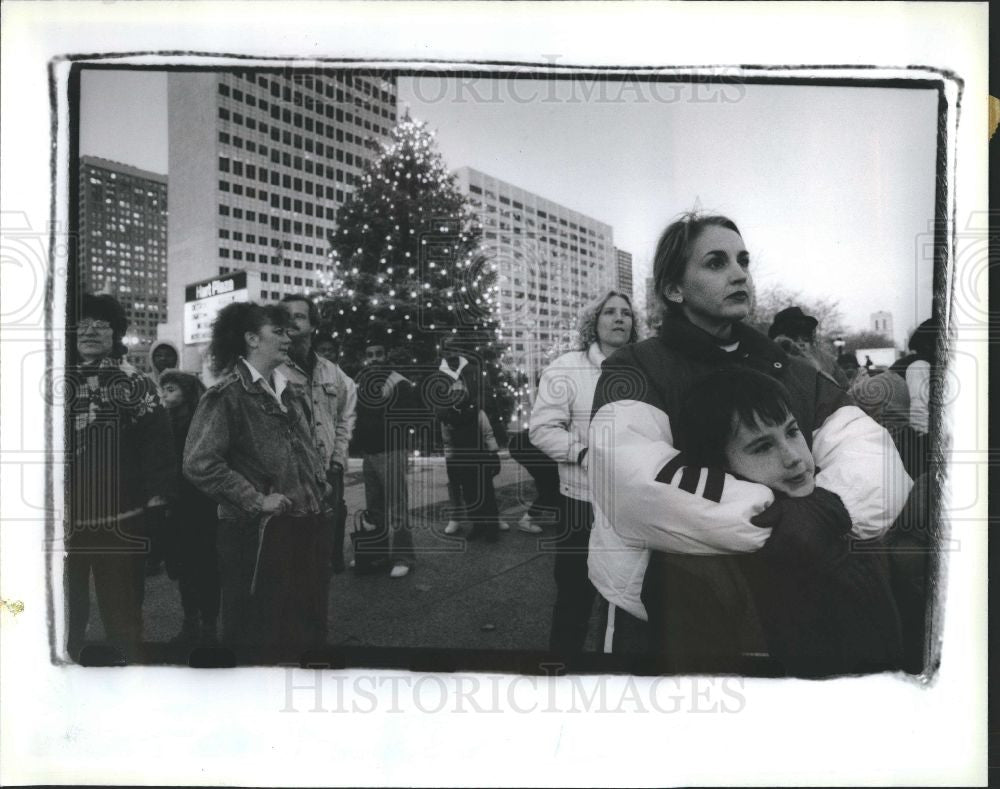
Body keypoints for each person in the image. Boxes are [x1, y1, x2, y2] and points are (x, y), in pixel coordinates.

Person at [587, 213, 912, 669]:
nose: (739, 274)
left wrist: (826, 511)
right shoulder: (635, 366)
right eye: (716, 263)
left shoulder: (791, 368)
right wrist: (783, 517)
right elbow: (628, 477)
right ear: (674, 289)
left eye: (743, 261)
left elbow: (873, 456)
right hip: (668, 611)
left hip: (800, 606)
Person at [646, 368, 904, 676]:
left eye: (792, 432)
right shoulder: (699, 571)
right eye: (763, 447)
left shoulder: (850, 521)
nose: (793, 457)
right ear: (719, 467)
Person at [183, 302, 331, 662]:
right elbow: (199, 463)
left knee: (303, 630)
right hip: (255, 535)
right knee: (255, 637)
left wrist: (318, 486)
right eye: (277, 331)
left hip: (302, 527)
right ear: (251, 339)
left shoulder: (289, 392)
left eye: (288, 330)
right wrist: (254, 499)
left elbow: (302, 452)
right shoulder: (226, 396)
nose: (288, 336)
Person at [65, 294, 174, 662]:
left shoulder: (135, 383)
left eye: (102, 323)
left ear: (117, 333)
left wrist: (158, 503)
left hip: (121, 521)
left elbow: (158, 448)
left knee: (123, 615)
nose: (91, 330)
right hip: (61, 524)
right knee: (62, 615)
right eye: (83, 322)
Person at [530, 289, 638, 653]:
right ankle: (564, 674)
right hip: (582, 502)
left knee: (628, 598)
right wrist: (584, 454)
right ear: (594, 322)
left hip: (632, 502)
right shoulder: (567, 367)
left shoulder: (645, 367)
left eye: (626, 312)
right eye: (610, 312)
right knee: (575, 594)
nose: (620, 318)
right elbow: (542, 429)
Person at [279, 295, 357, 573]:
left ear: (313, 324)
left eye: (299, 316)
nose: (291, 321)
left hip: (328, 470)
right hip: (291, 475)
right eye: (285, 316)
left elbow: (344, 417)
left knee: (326, 535)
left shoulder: (331, 371)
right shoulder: (272, 369)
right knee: (295, 546)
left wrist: (338, 459)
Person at [159, 370, 220, 647]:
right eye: (164, 390)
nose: (165, 395)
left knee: (206, 566)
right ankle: (190, 622)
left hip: (203, 503)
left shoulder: (203, 421)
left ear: (187, 390)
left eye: (171, 389)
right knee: (183, 567)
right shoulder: (164, 422)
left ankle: (209, 625)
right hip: (177, 504)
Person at [353, 329, 419, 578]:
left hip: (392, 450)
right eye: (370, 355)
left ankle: (404, 557)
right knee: (375, 508)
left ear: (386, 355)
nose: (375, 359)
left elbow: (404, 419)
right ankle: (377, 554)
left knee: (397, 507)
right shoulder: (361, 383)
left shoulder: (398, 382)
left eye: (379, 354)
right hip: (370, 453)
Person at [437, 361, 504, 541]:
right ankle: (478, 525)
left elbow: (488, 434)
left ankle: (491, 528)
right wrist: (451, 463)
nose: (457, 397)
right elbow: (448, 442)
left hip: (479, 459)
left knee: (486, 494)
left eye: (460, 394)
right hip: (461, 461)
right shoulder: (448, 417)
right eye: (454, 394)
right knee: (470, 495)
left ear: (465, 395)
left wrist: (494, 454)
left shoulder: (477, 413)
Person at [768, 306, 850, 389]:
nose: (801, 343)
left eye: (805, 338)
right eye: (794, 337)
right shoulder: (770, 362)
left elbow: (844, 390)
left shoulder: (826, 360)